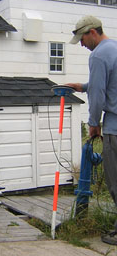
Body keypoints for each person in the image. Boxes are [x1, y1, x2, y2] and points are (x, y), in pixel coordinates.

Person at [68, 15, 117, 245]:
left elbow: (98, 95)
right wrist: (83, 86)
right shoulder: (114, 48)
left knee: (114, 181)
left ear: (92, 32)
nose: (81, 44)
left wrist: (93, 124)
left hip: (114, 127)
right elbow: (108, 84)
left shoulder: (98, 55)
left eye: (82, 38)